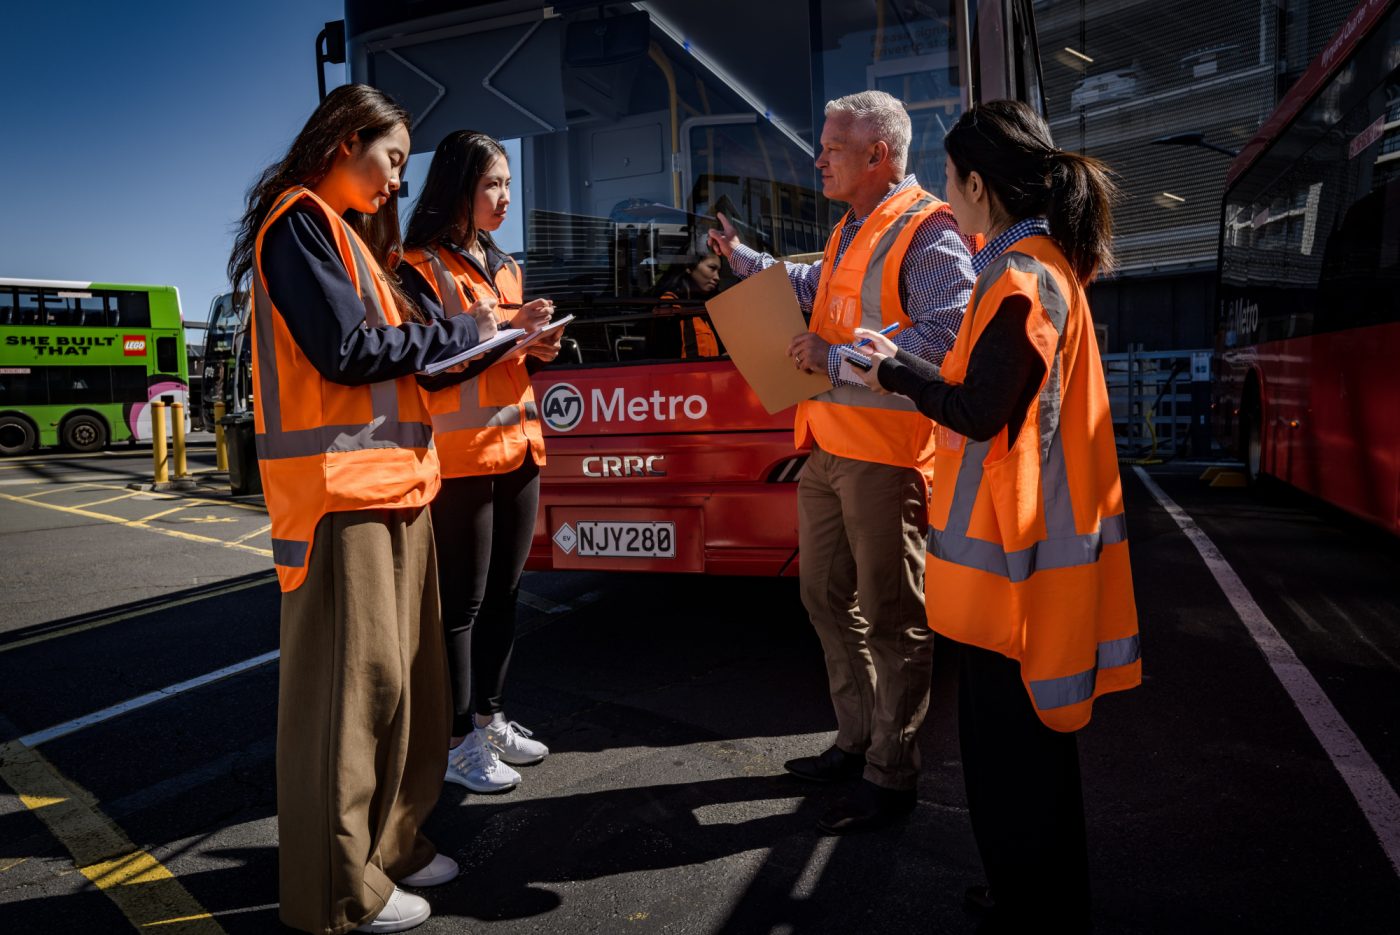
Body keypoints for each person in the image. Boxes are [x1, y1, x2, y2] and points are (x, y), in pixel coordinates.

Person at [852, 99, 1141, 931]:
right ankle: (1033, 894)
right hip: (1028, 553)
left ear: (979, 185)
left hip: (1016, 568)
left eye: (948, 181)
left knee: (1012, 762)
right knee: (1027, 760)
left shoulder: (1020, 278)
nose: (945, 198)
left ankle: (1035, 905)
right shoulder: (1040, 267)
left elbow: (980, 408)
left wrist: (896, 372)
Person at [227, 85, 501, 935]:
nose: (396, 182)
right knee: (350, 708)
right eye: (390, 158)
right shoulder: (297, 222)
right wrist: (463, 331)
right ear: (347, 141)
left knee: (407, 695)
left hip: (396, 492)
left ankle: (396, 847)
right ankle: (338, 892)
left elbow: (399, 361)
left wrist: (493, 337)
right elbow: (348, 352)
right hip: (341, 502)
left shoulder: (349, 240)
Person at [708, 89, 974, 834]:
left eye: (831, 146)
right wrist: (745, 260)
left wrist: (838, 356)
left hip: (884, 458)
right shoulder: (853, 229)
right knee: (824, 597)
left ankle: (892, 771)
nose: (817, 156)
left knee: (892, 616)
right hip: (827, 448)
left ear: (877, 156)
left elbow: (943, 335)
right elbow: (815, 288)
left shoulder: (928, 229)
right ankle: (857, 742)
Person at [400, 130, 558, 797]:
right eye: (493, 183)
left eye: (509, 185)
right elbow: (431, 370)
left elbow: (502, 353)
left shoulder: (505, 263)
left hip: (520, 448)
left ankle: (489, 718)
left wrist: (536, 344)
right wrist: (510, 334)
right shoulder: (415, 264)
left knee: (505, 594)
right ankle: (457, 739)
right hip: (461, 457)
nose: (504, 197)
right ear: (458, 186)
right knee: (460, 605)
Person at [650, 252, 723, 358]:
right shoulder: (669, 306)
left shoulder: (713, 306)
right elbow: (665, 357)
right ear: (689, 267)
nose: (717, 277)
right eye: (712, 268)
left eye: (719, 271)